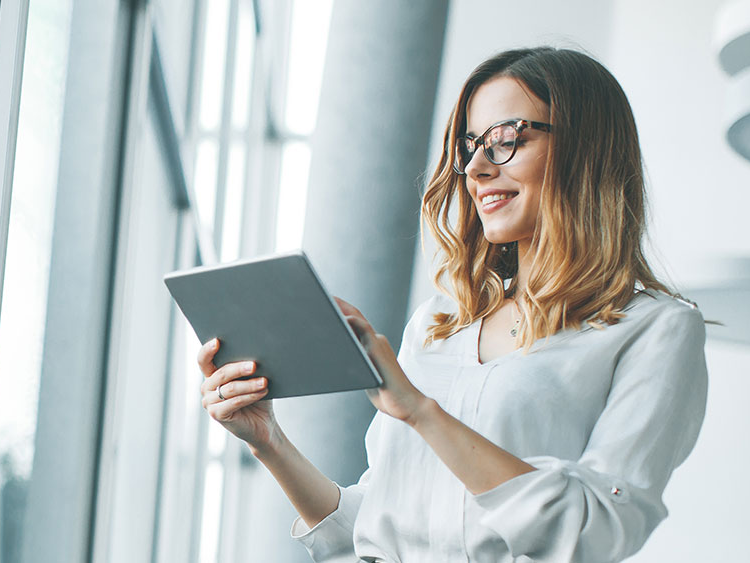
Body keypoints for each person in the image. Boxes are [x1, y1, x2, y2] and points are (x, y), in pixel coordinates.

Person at [197, 46, 708, 563]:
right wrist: (268, 442)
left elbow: (595, 530)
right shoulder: (441, 324)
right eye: (471, 145)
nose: (477, 167)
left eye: (508, 139)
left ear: (585, 149)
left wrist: (421, 411)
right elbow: (372, 521)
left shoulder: (656, 330)